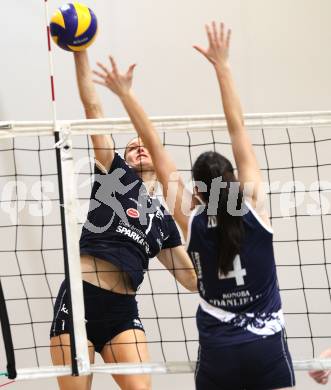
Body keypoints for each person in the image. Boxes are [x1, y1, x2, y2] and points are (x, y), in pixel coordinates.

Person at [93, 21, 296, 390]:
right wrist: (223, 67)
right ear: (234, 179)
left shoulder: (191, 218)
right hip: (265, 344)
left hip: (220, 348)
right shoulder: (254, 207)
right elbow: (238, 129)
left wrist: (124, 95)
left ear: (197, 191)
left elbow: (153, 143)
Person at [50, 50, 197, 390]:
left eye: (145, 144)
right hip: (79, 299)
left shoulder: (164, 220)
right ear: (124, 158)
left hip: (121, 309)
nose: (140, 148)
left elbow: (191, 280)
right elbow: (93, 110)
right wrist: (81, 52)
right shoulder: (114, 175)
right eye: (132, 147)